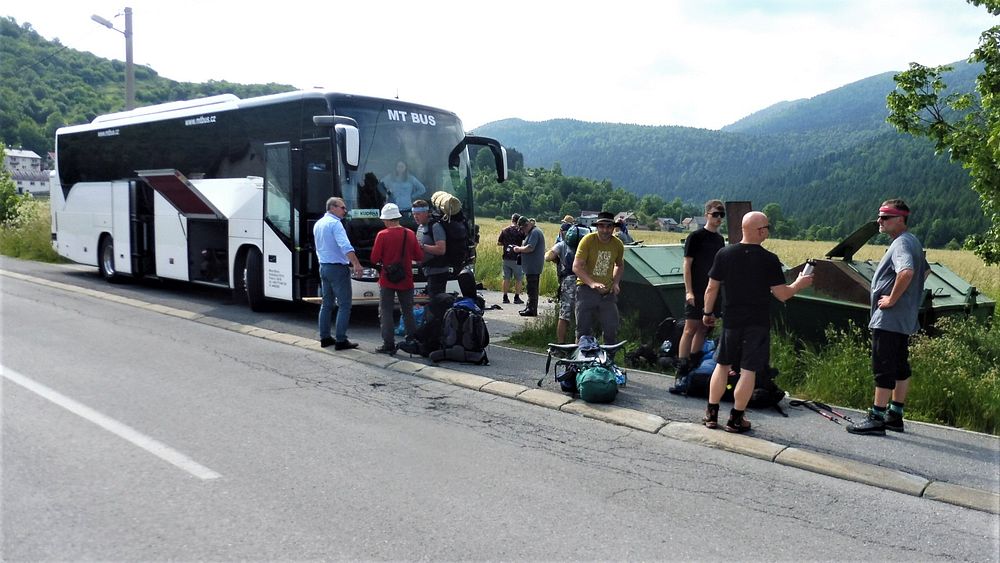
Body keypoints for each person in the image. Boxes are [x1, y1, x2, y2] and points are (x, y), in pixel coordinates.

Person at [701, 211, 813, 432]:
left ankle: (711, 414)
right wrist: (800, 283)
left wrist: (707, 313)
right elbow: (783, 294)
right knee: (748, 370)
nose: (768, 231)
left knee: (722, 366)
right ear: (761, 231)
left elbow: (711, 288)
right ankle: (735, 419)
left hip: (731, 320)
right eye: (767, 227)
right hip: (757, 323)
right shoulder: (769, 260)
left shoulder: (724, 254)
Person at [847, 199, 930, 436]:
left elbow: (907, 272)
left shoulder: (901, 244)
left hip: (890, 318)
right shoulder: (912, 241)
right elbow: (925, 270)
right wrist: (910, 297)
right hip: (904, 318)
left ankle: (876, 417)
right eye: (879, 216)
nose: (879, 222)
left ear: (900, 219)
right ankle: (895, 415)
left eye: (885, 217)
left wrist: (892, 300)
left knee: (882, 365)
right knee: (900, 365)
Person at [670, 199, 727, 395]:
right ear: (706, 215)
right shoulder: (695, 236)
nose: (718, 218)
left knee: (704, 328)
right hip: (696, 288)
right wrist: (689, 291)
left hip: (712, 290)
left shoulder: (720, 241)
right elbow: (687, 265)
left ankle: (694, 363)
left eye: (721, 215)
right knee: (689, 328)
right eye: (715, 214)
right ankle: (681, 367)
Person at [370, 203, 424, 355]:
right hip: (406, 277)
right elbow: (418, 256)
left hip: (387, 279)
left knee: (385, 311)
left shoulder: (382, 235)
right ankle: (411, 341)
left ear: (387, 220)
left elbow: (374, 258)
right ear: (398, 217)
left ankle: (388, 344)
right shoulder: (410, 234)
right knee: (407, 310)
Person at [314, 197, 363, 350]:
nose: (345, 211)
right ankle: (341, 339)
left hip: (323, 266)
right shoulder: (335, 224)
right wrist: (356, 264)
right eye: (343, 208)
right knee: (345, 304)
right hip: (337, 268)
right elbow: (345, 245)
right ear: (333, 207)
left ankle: (325, 337)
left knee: (326, 303)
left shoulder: (319, 223)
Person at [573, 211, 625, 344]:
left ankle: (608, 359)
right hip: (586, 290)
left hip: (607, 293)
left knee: (611, 329)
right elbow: (577, 267)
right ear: (597, 227)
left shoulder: (618, 244)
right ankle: (580, 359)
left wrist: (616, 283)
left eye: (608, 227)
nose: (605, 230)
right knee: (582, 330)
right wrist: (591, 283)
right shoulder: (588, 240)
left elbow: (619, 265)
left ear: (613, 228)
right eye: (602, 226)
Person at [545, 223, 587, 343]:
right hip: (585, 279)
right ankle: (579, 346)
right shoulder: (586, 245)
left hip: (568, 281)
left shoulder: (562, 245)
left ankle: (561, 344)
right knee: (582, 315)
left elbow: (547, 257)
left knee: (564, 315)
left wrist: (556, 258)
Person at [412, 199, 449, 297]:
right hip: (426, 271)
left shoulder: (435, 226)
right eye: (414, 213)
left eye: (418, 214)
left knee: (436, 302)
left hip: (437, 272)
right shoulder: (420, 227)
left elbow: (441, 250)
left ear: (426, 213)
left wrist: (423, 247)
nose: (415, 216)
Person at [513, 216, 545, 317]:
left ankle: (532, 309)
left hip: (533, 266)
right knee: (530, 288)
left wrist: (519, 249)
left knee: (532, 288)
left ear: (527, 225)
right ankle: (529, 307)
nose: (522, 231)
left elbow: (530, 248)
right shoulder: (532, 232)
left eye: (522, 228)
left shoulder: (535, 232)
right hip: (531, 266)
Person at [497, 213, 525, 304]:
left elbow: (499, 243)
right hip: (517, 258)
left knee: (506, 278)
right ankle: (516, 297)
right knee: (519, 279)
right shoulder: (520, 231)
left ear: (511, 220)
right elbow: (525, 242)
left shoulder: (504, 230)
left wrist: (506, 244)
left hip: (506, 257)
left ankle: (505, 297)